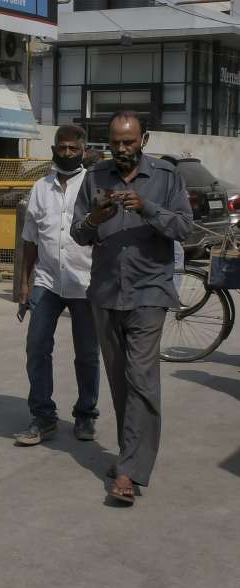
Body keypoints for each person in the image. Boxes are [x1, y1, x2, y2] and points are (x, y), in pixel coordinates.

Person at [70, 110, 192, 504]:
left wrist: (146, 207)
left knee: (141, 378)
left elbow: (184, 228)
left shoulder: (166, 177)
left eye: (129, 142)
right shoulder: (95, 176)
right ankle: (129, 454)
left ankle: (129, 473)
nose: (122, 149)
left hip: (149, 292)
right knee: (120, 381)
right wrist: (95, 217)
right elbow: (78, 233)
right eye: (115, 142)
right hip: (106, 293)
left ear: (144, 140)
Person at [13, 125, 99, 446]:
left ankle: (86, 414)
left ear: (83, 150)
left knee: (87, 353)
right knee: (36, 347)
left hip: (85, 282)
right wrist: (24, 284)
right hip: (47, 282)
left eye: (73, 148)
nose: (67, 153)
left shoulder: (93, 186)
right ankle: (43, 417)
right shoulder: (40, 188)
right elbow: (30, 240)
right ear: (53, 149)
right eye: (62, 148)